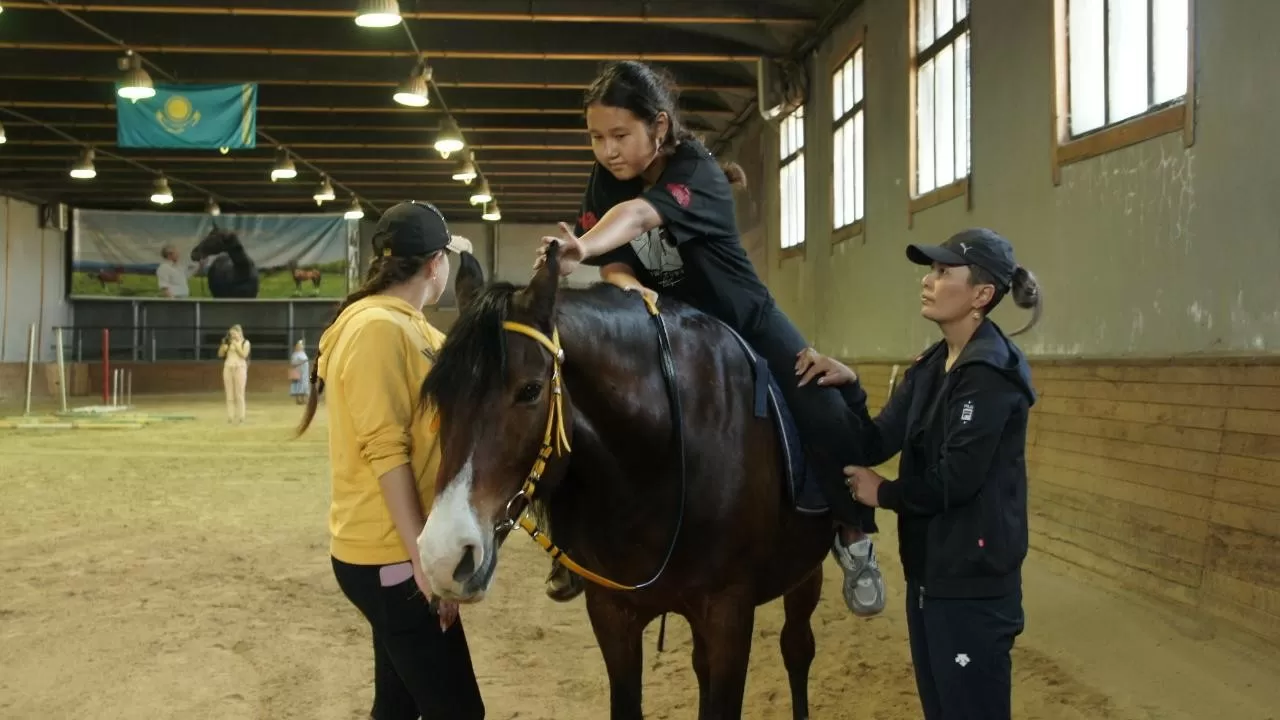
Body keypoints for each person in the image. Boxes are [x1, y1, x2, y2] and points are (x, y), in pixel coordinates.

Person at [533, 59, 885, 617]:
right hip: (670, 323)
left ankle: (852, 532)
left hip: (743, 317)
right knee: (591, 405)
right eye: (597, 138)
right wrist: (624, 283)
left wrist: (585, 246)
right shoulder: (604, 178)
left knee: (819, 401)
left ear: (661, 127)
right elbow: (619, 265)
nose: (607, 150)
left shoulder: (698, 170)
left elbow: (637, 217)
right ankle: (579, 541)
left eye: (620, 135)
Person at [794, 228, 1041, 720]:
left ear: (981, 295)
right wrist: (848, 387)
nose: (928, 281)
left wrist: (882, 492)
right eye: (931, 271)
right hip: (930, 575)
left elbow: (957, 479)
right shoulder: (931, 366)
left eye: (943, 272)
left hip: (973, 584)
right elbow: (874, 440)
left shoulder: (990, 373)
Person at [296, 201, 485, 720]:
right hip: (389, 554)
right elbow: (386, 451)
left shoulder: (416, 329)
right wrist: (423, 562)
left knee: (398, 706)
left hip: (400, 550)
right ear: (433, 265)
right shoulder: (376, 329)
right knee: (458, 711)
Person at [217, 324, 250, 424]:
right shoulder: (228, 342)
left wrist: (236, 345)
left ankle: (241, 416)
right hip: (228, 367)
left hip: (240, 367)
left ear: (239, 333)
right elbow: (220, 354)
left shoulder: (245, 342)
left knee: (239, 393)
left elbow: (243, 355)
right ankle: (230, 416)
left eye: (234, 333)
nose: (232, 336)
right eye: (231, 334)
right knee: (229, 393)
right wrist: (223, 347)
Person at [288, 339, 309, 405]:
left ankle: (303, 399)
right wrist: (302, 362)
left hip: (304, 374)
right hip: (298, 372)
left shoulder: (303, 353)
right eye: (299, 346)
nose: (301, 347)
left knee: (304, 386)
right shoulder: (295, 355)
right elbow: (293, 364)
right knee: (297, 386)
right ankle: (298, 400)